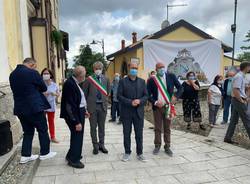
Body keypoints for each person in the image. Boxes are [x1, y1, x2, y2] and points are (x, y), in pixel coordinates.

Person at [9, 58, 56, 164]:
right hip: (34, 107)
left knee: (28, 132)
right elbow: (44, 88)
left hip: (20, 108)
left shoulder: (12, 74)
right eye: (35, 66)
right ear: (31, 64)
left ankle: (25, 155)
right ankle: (45, 153)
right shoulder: (32, 73)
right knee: (42, 129)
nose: (35, 68)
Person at [147, 62, 183, 156]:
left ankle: (167, 146)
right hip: (157, 107)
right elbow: (147, 94)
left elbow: (181, 88)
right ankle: (157, 145)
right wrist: (155, 102)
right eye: (159, 68)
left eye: (163, 67)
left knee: (167, 128)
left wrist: (175, 97)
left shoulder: (171, 76)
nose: (161, 69)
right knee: (157, 127)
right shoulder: (152, 80)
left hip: (168, 107)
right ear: (156, 69)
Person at [118, 63, 148, 162]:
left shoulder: (142, 82)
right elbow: (119, 96)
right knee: (126, 133)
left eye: (136, 68)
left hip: (138, 112)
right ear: (129, 69)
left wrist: (139, 101)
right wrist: (130, 102)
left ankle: (140, 153)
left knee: (139, 134)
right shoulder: (122, 82)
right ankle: (127, 152)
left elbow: (146, 96)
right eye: (132, 68)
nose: (134, 70)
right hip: (127, 112)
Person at [60, 66, 89, 169]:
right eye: (84, 74)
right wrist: (76, 122)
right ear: (80, 75)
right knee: (77, 135)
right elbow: (69, 105)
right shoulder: (70, 84)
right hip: (74, 115)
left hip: (79, 112)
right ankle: (74, 160)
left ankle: (72, 155)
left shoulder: (74, 82)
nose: (85, 75)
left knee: (77, 136)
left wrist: (84, 111)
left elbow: (78, 100)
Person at [81, 61, 110, 155]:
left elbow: (108, 92)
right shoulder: (89, 80)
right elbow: (84, 94)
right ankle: (95, 146)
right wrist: (85, 108)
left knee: (102, 127)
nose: (98, 70)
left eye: (99, 68)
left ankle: (102, 145)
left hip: (102, 107)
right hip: (92, 107)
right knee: (93, 127)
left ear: (102, 69)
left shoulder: (106, 79)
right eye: (96, 68)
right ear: (94, 69)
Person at [224, 62, 250, 144]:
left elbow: (240, 89)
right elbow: (235, 90)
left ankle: (227, 138)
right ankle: (227, 137)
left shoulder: (241, 76)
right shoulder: (239, 76)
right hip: (238, 100)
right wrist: (241, 100)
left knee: (233, 120)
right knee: (247, 120)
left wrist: (245, 97)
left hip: (237, 99)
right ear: (246, 67)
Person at [41, 68, 60, 143]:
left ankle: (53, 137)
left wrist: (54, 94)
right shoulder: (40, 84)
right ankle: (44, 137)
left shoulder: (54, 85)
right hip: (42, 105)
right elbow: (36, 93)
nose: (45, 75)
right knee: (42, 122)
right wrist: (43, 94)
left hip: (51, 105)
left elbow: (58, 94)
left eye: (47, 73)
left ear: (50, 75)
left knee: (51, 121)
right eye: (44, 74)